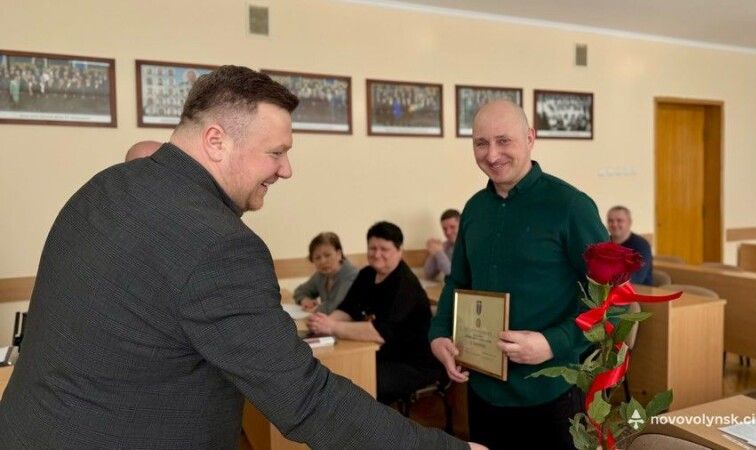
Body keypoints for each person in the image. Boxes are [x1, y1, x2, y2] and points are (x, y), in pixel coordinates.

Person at [0, 66, 475, 450]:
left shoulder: (104, 187)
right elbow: (305, 398)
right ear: (216, 141)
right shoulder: (217, 243)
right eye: (276, 152)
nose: (286, 169)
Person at [428, 100, 609, 450]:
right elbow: (458, 282)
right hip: (483, 390)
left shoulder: (571, 206)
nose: (492, 154)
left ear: (530, 138)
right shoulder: (474, 209)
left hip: (552, 392)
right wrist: (438, 335)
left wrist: (552, 342)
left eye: (503, 141)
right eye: (481, 143)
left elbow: (615, 302)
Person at [307, 221, 442, 405]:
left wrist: (332, 327)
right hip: (381, 351)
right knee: (339, 370)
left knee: (359, 379)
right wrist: (323, 323)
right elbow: (348, 308)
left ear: (399, 250)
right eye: (372, 248)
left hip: (411, 361)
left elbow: (379, 332)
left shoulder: (405, 285)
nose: (377, 254)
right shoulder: (367, 274)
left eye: (384, 249)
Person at [293, 232, 358, 313]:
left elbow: (339, 305)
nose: (322, 261)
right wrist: (304, 300)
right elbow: (300, 291)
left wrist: (316, 309)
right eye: (317, 258)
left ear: (339, 254)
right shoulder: (320, 275)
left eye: (327, 255)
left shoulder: (351, 275)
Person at [607, 205, 653, 285]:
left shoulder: (642, 245)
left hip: (640, 290)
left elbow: (637, 278)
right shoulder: (604, 243)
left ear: (629, 222)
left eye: (619, 220)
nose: (614, 224)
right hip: (610, 289)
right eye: (610, 221)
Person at [423, 209, 460, 280]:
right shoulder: (445, 246)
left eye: (452, 227)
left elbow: (454, 276)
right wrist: (434, 252)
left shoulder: (471, 246)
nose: (448, 232)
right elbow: (429, 274)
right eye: (444, 229)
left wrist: (439, 252)